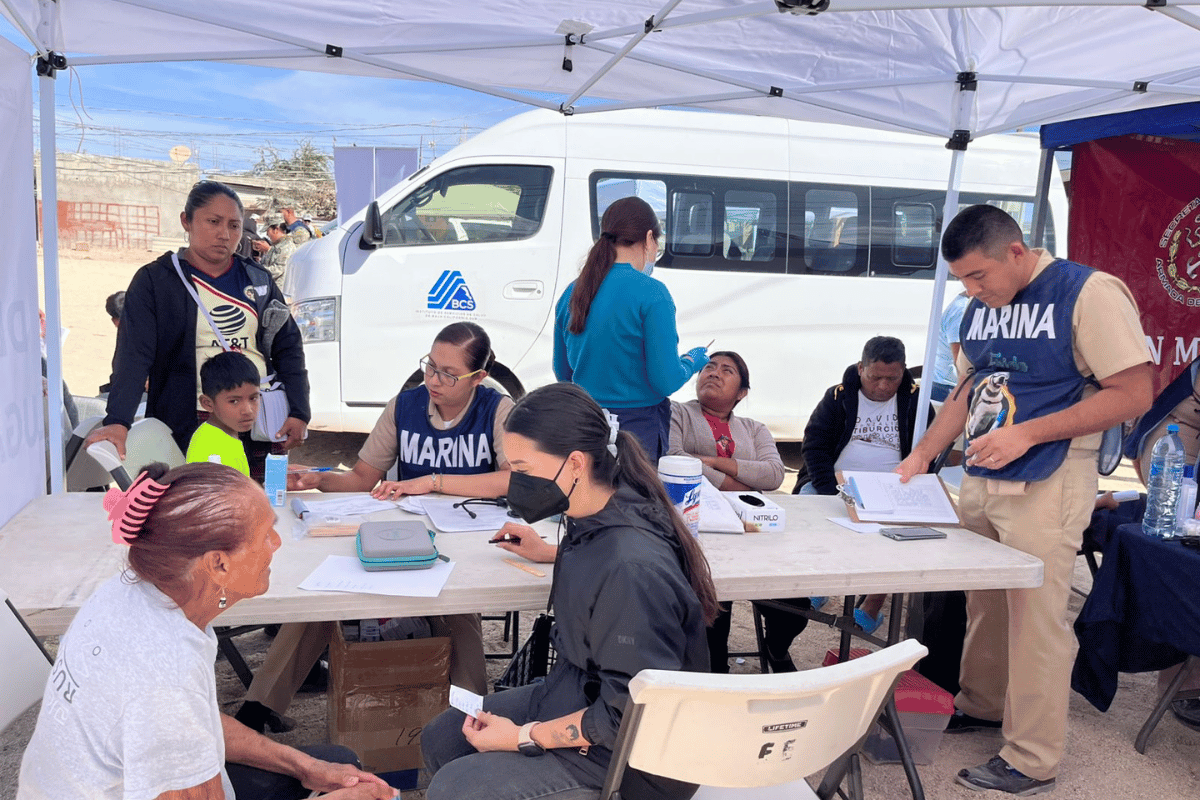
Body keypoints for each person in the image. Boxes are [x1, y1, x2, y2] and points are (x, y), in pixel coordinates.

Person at [896, 204, 1153, 795]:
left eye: (978, 276)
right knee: (985, 600)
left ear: (1016, 251)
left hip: (1050, 475)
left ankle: (1032, 757)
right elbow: (967, 388)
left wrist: (1030, 432)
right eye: (961, 280)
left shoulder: (1088, 292)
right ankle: (982, 703)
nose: (971, 290)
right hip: (985, 475)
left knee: (1036, 619)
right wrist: (922, 457)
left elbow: (1135, 392)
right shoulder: (980, 306)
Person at [16, 462, 397, 800]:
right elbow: (174, 712)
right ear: (217, 565)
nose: (276, 544)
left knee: (334, 764)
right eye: (266, 534)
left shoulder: (131, 592)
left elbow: (198, 724)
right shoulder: (165, 674)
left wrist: (304, 767)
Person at [421, 382, 719, 800]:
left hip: (633, 758)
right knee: (443, 737)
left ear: (575, 463)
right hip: (579, 691)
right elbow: (610, 555)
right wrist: (548, 552)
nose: (514, 482)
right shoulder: (603, 510)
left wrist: (523, 736)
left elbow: (627, 715)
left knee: (456, 788)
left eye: (522, 470)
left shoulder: (631, 570)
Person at [236, 321, 511, 732]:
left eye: (448, 374)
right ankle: (258, 708)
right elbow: (364, 478)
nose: (433, 380)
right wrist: (320, 480)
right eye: (429, 366)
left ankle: (469, 717)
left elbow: (513, 479)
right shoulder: (405, 405)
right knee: (326, 595)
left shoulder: (497, 410)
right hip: (399, 531)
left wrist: (433, 483)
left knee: (459, 608)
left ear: (479, 378)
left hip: (463, 537)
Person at [86, 180, 310, 474]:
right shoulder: (156, 281)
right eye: (213, 222)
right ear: (186, 221)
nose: (224, 234)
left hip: (254, 421)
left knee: (259, 504)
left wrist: (298, 410)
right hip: (186, 422)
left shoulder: (257, 280)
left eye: (234, 225)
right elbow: (133, 355)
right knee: (199, 508)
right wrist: (118, 420)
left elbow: (288, 348)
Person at [794, 336, 934, 635]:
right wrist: (833, 489)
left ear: (903, 372)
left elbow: (929, 455)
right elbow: (814, 446)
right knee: (807, 513)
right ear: (861, 369)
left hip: (895, 487)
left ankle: (872, 605)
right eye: (875, 377)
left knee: (905, 535)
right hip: (835, 482)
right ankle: (817, 583)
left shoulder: (917, 404)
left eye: (892, 378)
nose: (883, 386)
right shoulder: (837, 397)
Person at [553, 196, 709, 462]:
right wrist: (692, 361)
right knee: (633, 501)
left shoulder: (573, 290)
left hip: (586, 425)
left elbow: (563, 372)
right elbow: (666, 380)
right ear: (649, 238)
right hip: (638, 430)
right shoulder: (653, 293)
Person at [666, 350, 787, 672]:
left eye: (727, 370)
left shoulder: (754, 428)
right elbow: (675, 457)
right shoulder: (676, 413)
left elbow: (774, 474)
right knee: (713, 604)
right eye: (708, 366)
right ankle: (714, 675)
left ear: (742, 392)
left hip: (753, 534)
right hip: (696, 529)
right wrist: (736, 484)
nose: (714, 373)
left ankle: (776, 647)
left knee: (794, 604)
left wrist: (715, 462)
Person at [186, 351, 261, 476]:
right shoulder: (210, 448)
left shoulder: (225, 436)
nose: (248, 410)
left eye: (253, 398)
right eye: (234, 401)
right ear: (208, 404)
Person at [931, 290, 970, 402]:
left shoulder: (963, 306)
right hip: (948, 388)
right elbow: (959, 359)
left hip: (950, 385)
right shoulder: (961, 310)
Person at [261, 222, 298, 291]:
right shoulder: (277, 245)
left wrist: (258, 270)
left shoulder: (286, 246)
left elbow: (279, 269)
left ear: (276, 229)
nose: (266, 234)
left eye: (268, 230)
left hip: (279, 291)